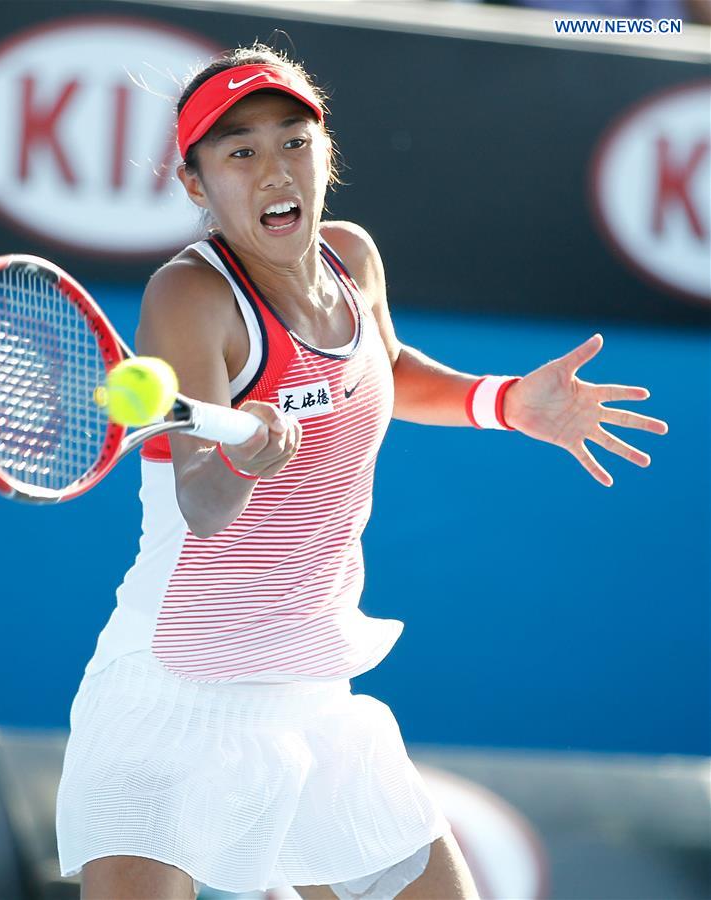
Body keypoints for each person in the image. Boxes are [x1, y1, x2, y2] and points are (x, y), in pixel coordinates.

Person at [55, 44, 668, 900]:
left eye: (293, 141)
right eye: (239, 152)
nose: (274, 169)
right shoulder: (188, 296)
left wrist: (504, 403)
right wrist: (244, 458)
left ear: (325, 154)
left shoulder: (353, 257)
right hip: (174, 691)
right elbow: (201, 502)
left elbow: (381, 367)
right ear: (196, 186)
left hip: (312, 694)